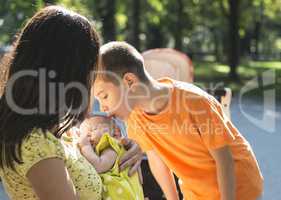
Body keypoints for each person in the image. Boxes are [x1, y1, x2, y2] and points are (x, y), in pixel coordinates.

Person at [0, 6, 143, 200]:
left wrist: (124, 151)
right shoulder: (37, 145)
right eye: (89, 70)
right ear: (69, 74)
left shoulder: (54, 127)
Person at [93, 41, 264, 200]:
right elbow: (157, 161)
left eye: (104, 96)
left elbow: (224, 159)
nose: (102, 108)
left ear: (129, 81)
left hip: (239, 187)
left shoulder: (194, 102)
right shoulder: (135, 118)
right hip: (197, 193)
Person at [77, 114, 144, 200]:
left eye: (92, 130)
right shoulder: (101, 149)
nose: (87, 136)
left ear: (116, 132)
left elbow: (98, 166)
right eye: (85, 133)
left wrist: (85, 146)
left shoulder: (112, 146)